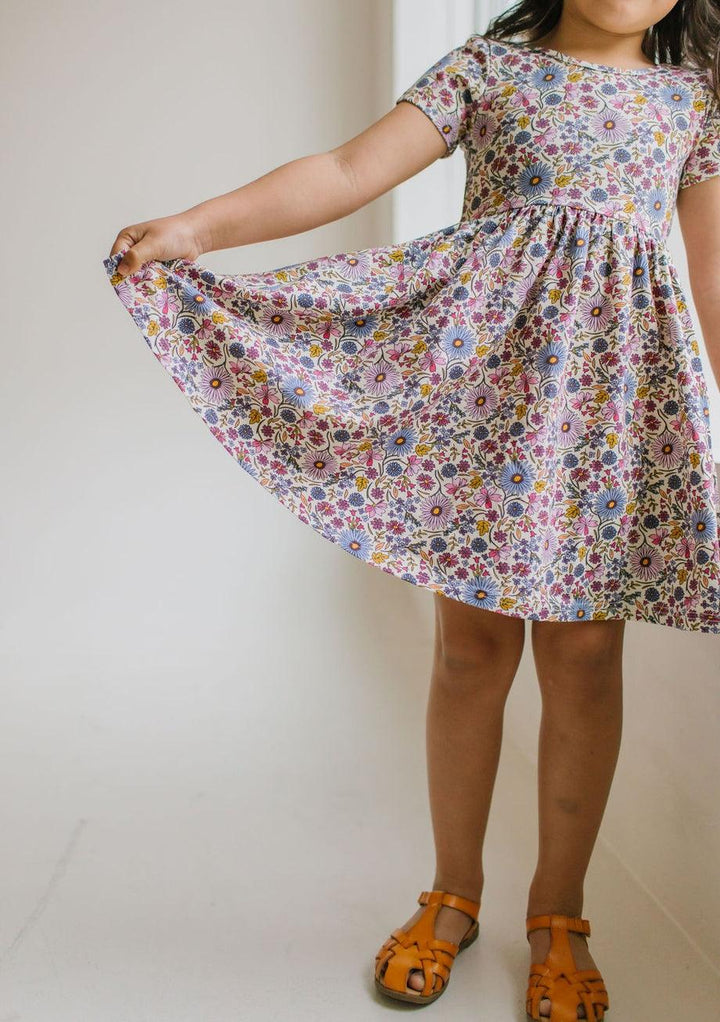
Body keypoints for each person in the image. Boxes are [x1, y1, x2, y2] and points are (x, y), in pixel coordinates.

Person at [103, 0, 720, 1018]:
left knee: (584, 657)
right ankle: (452, 890)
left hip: (608, 417)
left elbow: (711, 275)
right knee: (471, 652)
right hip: (482, 402)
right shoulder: (491, 70)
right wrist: (195, 228)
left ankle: (558, 910)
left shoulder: (693, 101)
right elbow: (348, 172)